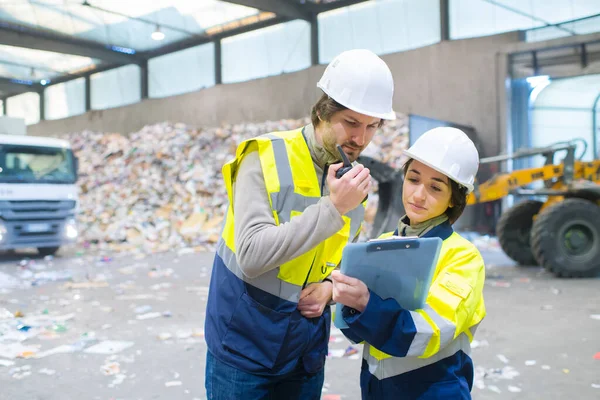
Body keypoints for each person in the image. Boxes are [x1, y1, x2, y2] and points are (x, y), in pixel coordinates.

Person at [204, 49, 397, 399]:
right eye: (351, 123)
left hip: (304, 350)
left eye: (372, 126)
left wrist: (329, 291)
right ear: (322, 112)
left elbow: (339, 260)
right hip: (244, 346)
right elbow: (250, 254)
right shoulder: (263, 156)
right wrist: (332, 208)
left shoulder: (353, 181)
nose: (361, 139)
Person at [331, 127, 485, 399]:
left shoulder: (463, 257)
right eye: (413, 179)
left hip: (435, 391)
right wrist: (346, 298)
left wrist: (367, 304)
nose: (418, 195)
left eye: (436, 187)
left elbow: (426, 334)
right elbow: (354, 332)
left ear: (454, 199)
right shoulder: (382, 243)